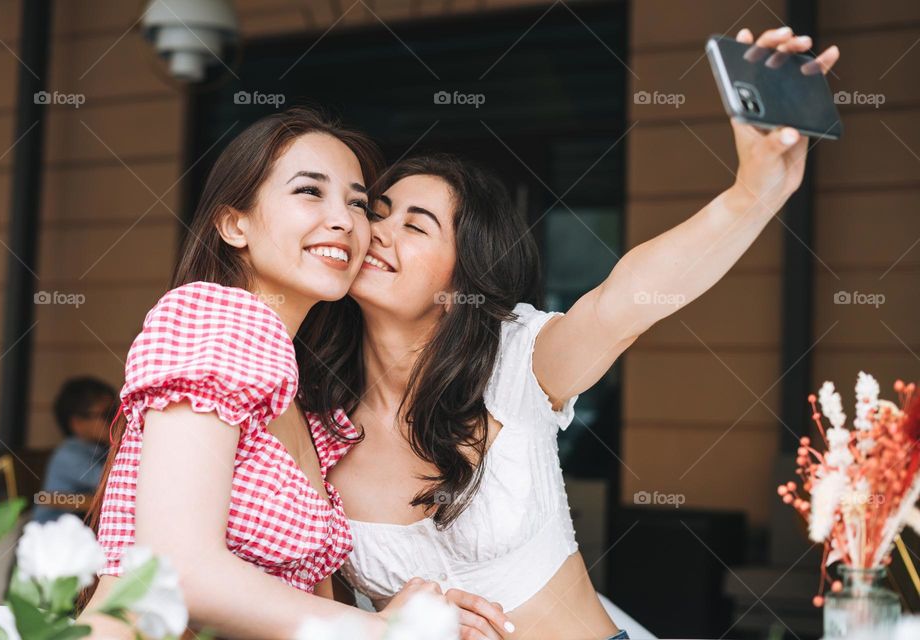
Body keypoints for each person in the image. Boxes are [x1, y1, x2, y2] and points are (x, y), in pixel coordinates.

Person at [297, 26, 841, 640]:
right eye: (378, 212)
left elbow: (625, 299)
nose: (379, 232)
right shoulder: (314, 415)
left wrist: (754, 192)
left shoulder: (515, 363)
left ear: (465, 275)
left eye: (417, 226)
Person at [78, 108, 510, 640]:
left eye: (357, 202)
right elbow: (178, 571)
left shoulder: (305, 400)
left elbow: (296, 607)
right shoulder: (214, 320)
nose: (344, 220)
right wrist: (385, 631)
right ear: (234, 224)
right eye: (310, 191)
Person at [33, 376, 115, 524]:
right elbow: (113, 483)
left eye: (117, 412)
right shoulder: (69, 455)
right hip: (52, 531)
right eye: (107, 414)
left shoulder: (101, 448)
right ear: (77, 422)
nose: (115, 419)